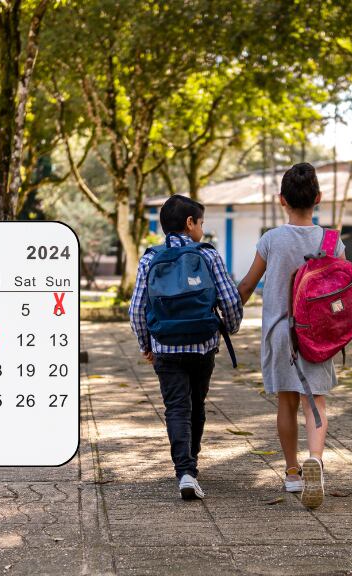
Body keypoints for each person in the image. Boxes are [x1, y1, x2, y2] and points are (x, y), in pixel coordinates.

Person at [237, 163, 346, 509]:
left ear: (281, 199)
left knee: (286, 402)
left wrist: (224, 311)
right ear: (318, 199)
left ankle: (293, 473)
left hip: (281, 333)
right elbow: (346, 293)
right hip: (318, 335)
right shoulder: (332, 241)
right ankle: (316, 459)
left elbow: (248, 286)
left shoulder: (271, 239)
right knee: (316, 401)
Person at [129, 194, 243, 500]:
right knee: (196, 404)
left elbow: (137, 310)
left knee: (176, 407)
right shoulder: (208, 255)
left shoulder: (150, 258)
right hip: (203, 345)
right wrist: (229, 328)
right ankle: (191, 465)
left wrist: (146, 344)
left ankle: (185, 472)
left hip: (165, 347)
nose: (202, 229)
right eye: (201, 222)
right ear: (189, 223)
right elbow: (230, 300)